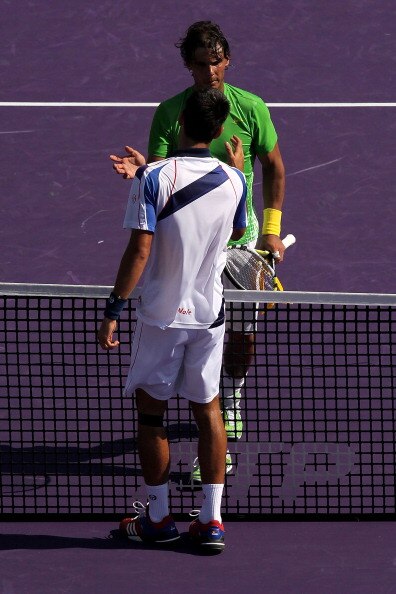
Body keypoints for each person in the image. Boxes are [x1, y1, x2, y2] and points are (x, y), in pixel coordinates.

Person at [110, 21, 286, 476]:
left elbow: (275, 169)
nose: (211, 72)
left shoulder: (251, 108)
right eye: (202, 64)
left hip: (241, 242)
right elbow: (171, 173)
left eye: (217, 62)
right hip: (192, 245)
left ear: (228, 60)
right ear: (188, 65)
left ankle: (232, 398)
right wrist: (144, 166)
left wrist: (270, 229)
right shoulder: (170, 112)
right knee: (204, 336)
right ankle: (212, 416)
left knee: (242, 336)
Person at [98, 88, 247, 552]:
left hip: (161, 316)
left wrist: (114, 308)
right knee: (209, 411)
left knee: (151, 414)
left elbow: (140, 248)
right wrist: (235, 173)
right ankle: (211, 521)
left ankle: (159, 519)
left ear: (179, 123)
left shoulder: (154, 178)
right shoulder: (235, 179)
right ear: (220, 130)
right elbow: (237, 229)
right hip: (209, 317)